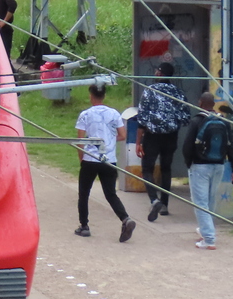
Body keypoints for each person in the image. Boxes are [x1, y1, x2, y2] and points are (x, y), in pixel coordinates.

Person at [74, 83, 136, 241]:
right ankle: (125, 218)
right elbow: (123, 135)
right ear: (104, 96)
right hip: (109, 160)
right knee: (110, 194)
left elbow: (80, 140)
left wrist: (82, 157)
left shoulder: (85, 114)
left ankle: (84, 225)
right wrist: (110, 140)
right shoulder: (114, 113)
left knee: (84, 193)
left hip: (90, 159)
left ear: (91, 96)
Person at [182, 91, 233, 249]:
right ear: (213, 104)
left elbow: (187, 146)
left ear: (200, 103)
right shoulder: (223, 122)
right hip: (219, 165)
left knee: (200, 203)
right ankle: (204, 230)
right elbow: (232, 145)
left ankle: (208, 238)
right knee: (210, 200)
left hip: (200, 166)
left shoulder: (197, 121)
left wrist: (189, 163)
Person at [135, 62, 190, 222]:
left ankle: (154, 200)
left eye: (157, 70)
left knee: (147, 168)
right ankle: (165, 204)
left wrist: (138, 142)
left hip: (152, 136)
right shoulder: (178, 92)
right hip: (171, 136)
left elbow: (142, 118)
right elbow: (186, 117)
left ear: (160, 73)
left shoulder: (150, 91)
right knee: (166, 169)